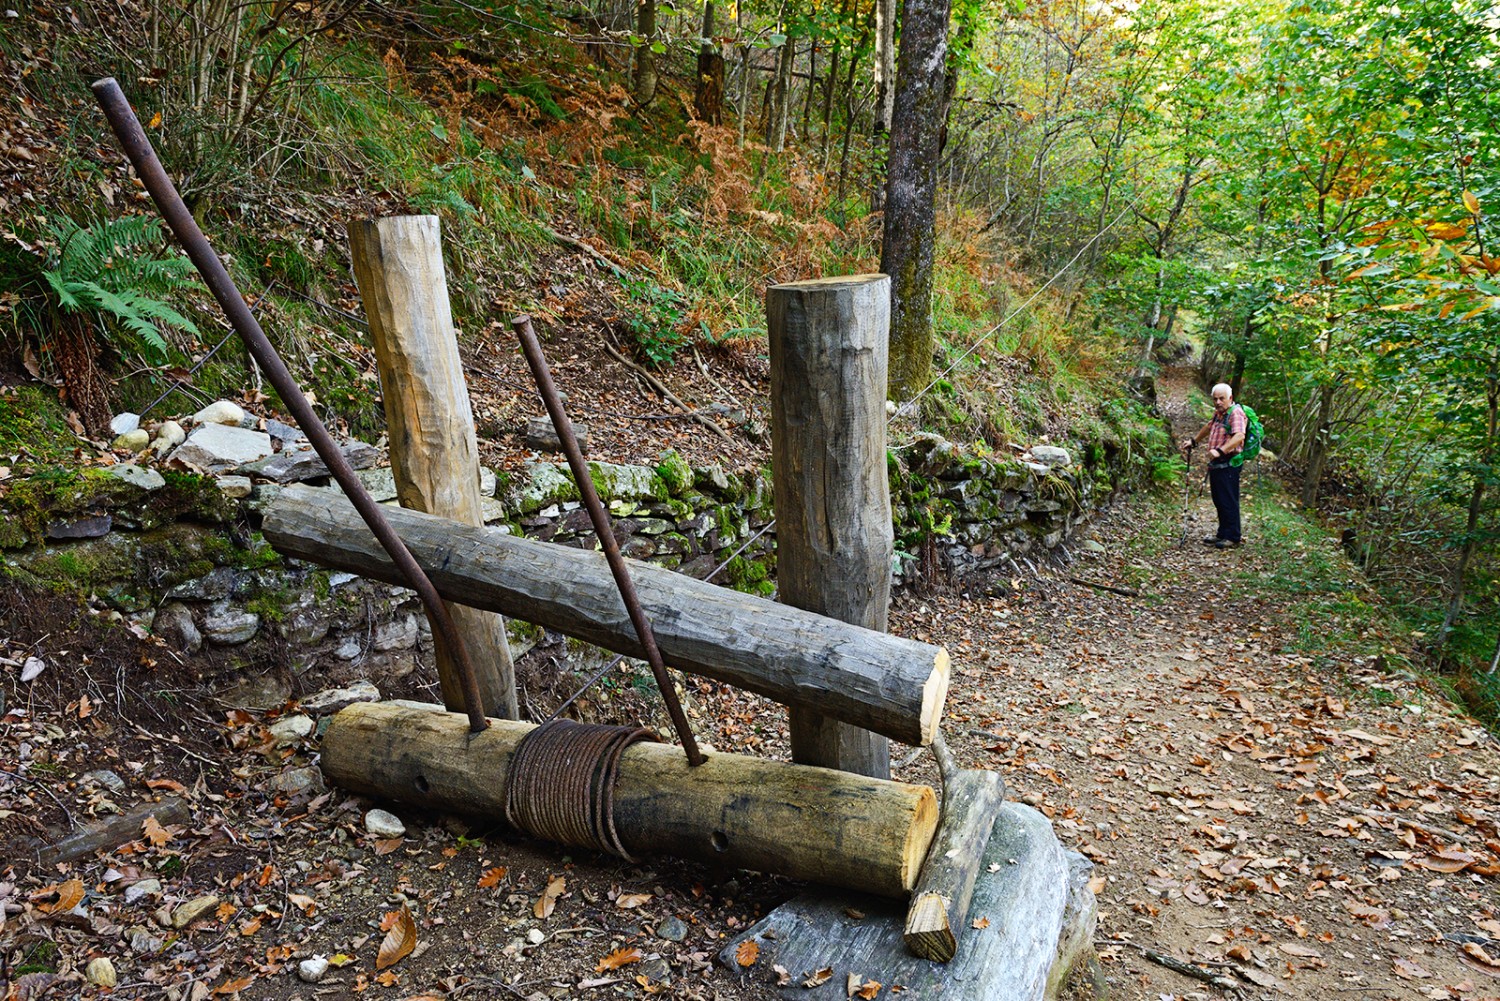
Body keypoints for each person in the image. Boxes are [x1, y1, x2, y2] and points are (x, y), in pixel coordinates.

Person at [1181, 383, 1246, 549]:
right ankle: (1222, 534)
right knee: (1219, 499)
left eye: (1221, 398)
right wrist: (1194, 441)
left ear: (1230, 398)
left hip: (1229, 463)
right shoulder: (1219, 414)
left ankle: (1233, 536)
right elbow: (1209, 427)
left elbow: (1239, 436)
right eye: (1215, 399)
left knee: (1228, 500)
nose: (1218, 402)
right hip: (1218, 464)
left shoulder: (1235, 413)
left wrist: (1220, 451)